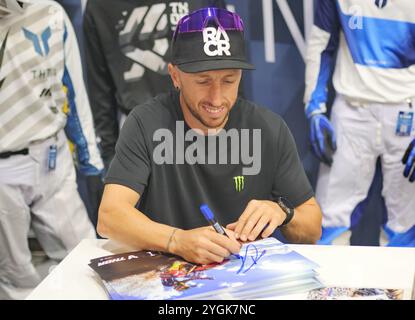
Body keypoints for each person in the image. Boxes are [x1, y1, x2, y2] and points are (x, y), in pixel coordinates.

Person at [98, 7, 322, 265]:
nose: (216, 98)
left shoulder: (269, 128)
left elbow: (312, 226)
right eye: (203, 81)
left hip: (245, 284)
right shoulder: (145, 123)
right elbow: (110, 216)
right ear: (175, 76)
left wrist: (282, 212)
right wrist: (178, 241)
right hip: (170, 283)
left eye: (229, 80)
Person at [0, 0, 103, 299]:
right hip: (3, 168)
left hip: (51, 154)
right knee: (14, 275)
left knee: (87, 259)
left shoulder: (51, 13)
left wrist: (91, 163)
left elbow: (72, 89)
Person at [304, 0, 415, 246]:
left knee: (406, 227)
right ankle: (333, 286)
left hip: (407, 112)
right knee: (331, 221)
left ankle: (399, 285)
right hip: (350, 110)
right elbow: (321, 42)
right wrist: (315, 109)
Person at [83, 0, 227, 172]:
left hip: (205, 131)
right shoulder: (100, 7)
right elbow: (101, 93)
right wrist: (109, 159)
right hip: (141, 141)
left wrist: (236, 134)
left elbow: (227, 65)